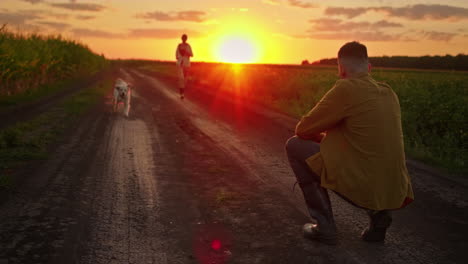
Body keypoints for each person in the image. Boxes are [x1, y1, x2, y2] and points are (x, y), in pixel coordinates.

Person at [285, 41, 414, 245]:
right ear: (369, 68)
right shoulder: (389, 92)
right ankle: (378, 214)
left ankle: (324, 227)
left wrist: (322, 137)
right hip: (394, 188)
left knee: (295, 145)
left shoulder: (346, 88)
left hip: (365, 184)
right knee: (366, 155)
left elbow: (303, 129)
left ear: (341, 69)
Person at [176, 34, 193, 99]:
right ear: (181, 38)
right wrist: (180, 59)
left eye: (185, 38)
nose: (184, 39)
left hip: (187, 64)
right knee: (181, 78)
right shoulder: (179, 46)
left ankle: (183, 91)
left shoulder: (188, 46)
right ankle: (182, 93)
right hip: (180, 64)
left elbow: (192, 54)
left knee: (185, 79)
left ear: (186, 39)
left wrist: (186, 52)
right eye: (183, 38)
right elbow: (176, 55)